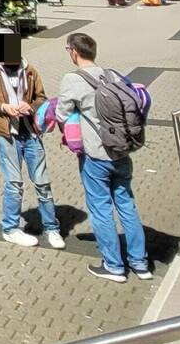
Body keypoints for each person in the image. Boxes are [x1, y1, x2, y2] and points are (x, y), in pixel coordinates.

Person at [55, 32, 151, 282]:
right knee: (126, 204)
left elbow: (62, 114)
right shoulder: (114, 75)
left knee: (101, 209)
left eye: (68, 49)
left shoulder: (72, 79)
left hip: (96, 154)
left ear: (73, 52)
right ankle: (140, 263)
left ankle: (114, 265)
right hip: (122, 152)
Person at [0, 31, 63, 249]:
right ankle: (11, 228)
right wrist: (4, 107)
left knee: (42, 182)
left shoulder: (29, 69)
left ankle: (52, 228)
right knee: (14, 184)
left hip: (31, 132)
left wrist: (30, 106)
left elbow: (41, 96)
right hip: (7, 134)